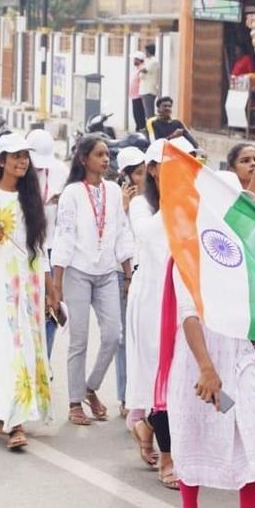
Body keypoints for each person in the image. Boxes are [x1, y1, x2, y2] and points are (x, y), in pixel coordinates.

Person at [162, 193, 255, 508]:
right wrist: (207, 369)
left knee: (249, 429)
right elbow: (188, 316)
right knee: (194, 432)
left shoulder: (243, 256)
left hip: (240, 361)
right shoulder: (187, 255)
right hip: (200, 365)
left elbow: (251, 309)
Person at [0, 133, 53, 450]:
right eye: (16, 156)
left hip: (29, 285)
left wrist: (51, 287)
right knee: (4, 349)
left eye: (25, 156)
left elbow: (39, 247)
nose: (22, 162)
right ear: (2, 160)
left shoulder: (31, 197)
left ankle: (1, 414)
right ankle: (12, 421)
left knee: (26, 347)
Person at [52, 134, 135, 426]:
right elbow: (64, 236)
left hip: (108, 274)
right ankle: (75, 403)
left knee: (114, 335)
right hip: (77, 272)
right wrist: (57, 283)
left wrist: (128, 274)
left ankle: (90, 387)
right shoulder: (72, 193)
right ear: (83, 159)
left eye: (107, 154)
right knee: (79, 340)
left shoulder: (113, 191)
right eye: (99, 154)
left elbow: (122, 232)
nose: (105, 159)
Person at [125, 139, 175, 487]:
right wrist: (175, 200)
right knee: (160, 373)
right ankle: (165, 453)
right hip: (152, 299)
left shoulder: (193, 202)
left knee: (183, 375)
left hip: (185, 298)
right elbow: (148, 235)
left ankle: (146, 426)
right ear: (154, 170)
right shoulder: (141, 205)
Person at [28, 128, 68, 356]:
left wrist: (60, 200)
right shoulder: (21, 172)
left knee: (52, 306)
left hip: (53, 247)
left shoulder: (61, 171)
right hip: (29, 247)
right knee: (30, 305)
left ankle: (46, 359)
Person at [115, 146, 147, 416]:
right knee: (125, 338)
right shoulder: (117, 200)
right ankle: (126, 396)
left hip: (146, 273)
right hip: (123, 273)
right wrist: (124, 207)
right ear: (125, 176)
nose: (143, 177)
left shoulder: (152, 200)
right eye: (138, 173)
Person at [139, 42, 160, 121]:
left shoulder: (154, 61)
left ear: (148, 51)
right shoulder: (148, 61)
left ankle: (152, 128)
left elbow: (144, 70)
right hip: (144, 90)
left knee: (149, 114)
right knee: (147, 114)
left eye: (145, 51)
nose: (144, 53)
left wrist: (140, 70)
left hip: (149, 91)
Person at [130, 51, 146, 131]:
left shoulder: (142, 68)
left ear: (139, 60)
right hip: (134, 95)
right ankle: (138, 128)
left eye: (135, 59)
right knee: (136, 114)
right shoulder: (136, 68)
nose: (134, 61)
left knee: (139, 115)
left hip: (139, 95)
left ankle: (141, 130)